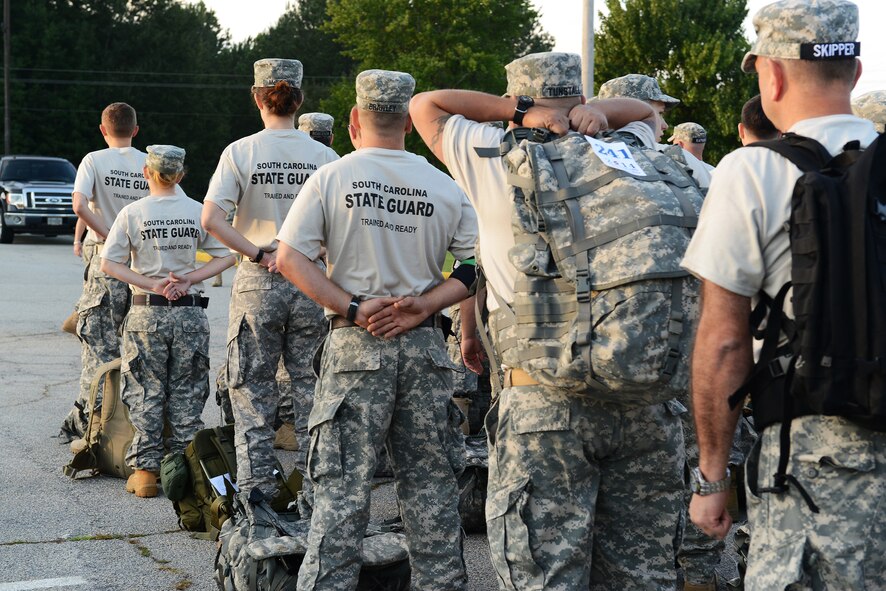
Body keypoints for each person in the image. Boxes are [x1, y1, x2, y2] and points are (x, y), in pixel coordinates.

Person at [410, 52, 689, 590]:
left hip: (545, 397)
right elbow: (649, 115)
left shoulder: (490, 151)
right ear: (579, 96)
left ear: (519, 97)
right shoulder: (624, 148)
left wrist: (514, 111)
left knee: (546, 575)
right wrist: (597, 112)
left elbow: (427, 105)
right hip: (643, 394)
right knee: (641, 574)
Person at [682, 1, 884, 589]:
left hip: (813, 461)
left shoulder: (751, 172)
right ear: (856, 70)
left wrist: (713, 478)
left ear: (770, 75)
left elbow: (723, 342)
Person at [276, 68, 477, 591]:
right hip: (426, 350)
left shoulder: (332, 177)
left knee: (341, 490)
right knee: (431, 490)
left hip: (354, 343)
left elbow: (291, 258)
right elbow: (476, 268)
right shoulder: (443, 185)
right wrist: (422, 305)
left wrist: (354, 306)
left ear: (353, 121)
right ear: (408, 123)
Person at [201, 58, 339, 497]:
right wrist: (309, 252)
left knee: (251, 391)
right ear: (298, 100)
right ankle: (315, 488)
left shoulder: (240, 151)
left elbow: (212, 220)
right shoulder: (324, 156)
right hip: (311, 283)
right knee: (312, 385)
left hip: (258, 282)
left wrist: (259, 254)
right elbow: (342, 226)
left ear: (258, 98)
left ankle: (257, 489)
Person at [101, 145, 234, 497]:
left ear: (147, 173)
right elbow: (226, 256)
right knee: (188, 391)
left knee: (146, 391)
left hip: (147, 310)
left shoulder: (133, 212)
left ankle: (146, 472)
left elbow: (109, 264)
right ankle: (187, 468)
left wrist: (150, 282)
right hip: (189, 311)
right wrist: (189, 278)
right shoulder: (196, 211)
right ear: (181, 175)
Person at [59, 102, 150, 442]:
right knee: (137, 346)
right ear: (136, 130)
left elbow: (81, 204)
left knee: (98, 349)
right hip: (142, 262)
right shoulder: (149, 163)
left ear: (102, 129)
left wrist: (102, 235)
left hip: (105, 262)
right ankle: (133, 426)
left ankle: (94, 428)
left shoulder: (94, 160)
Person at [598, 74, 713, 188]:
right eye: (659, 113)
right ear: (633, 113)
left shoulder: (587, 158)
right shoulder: (679, 160)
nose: (665, 125)